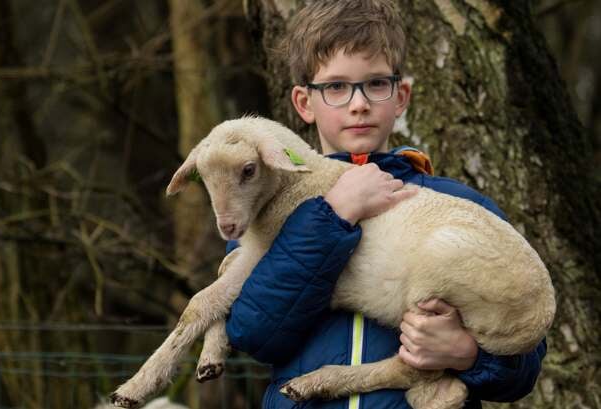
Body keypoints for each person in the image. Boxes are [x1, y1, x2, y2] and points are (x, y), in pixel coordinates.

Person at [223, 1, 546, 408]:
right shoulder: (267, 214)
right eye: (336, 87)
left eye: (376, 84)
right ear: (304, 103)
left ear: (401, 95)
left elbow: (524, 359)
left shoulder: (460, 206)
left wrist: (467, 354)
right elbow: (253, 331)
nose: (359, 103)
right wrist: (332, 215)